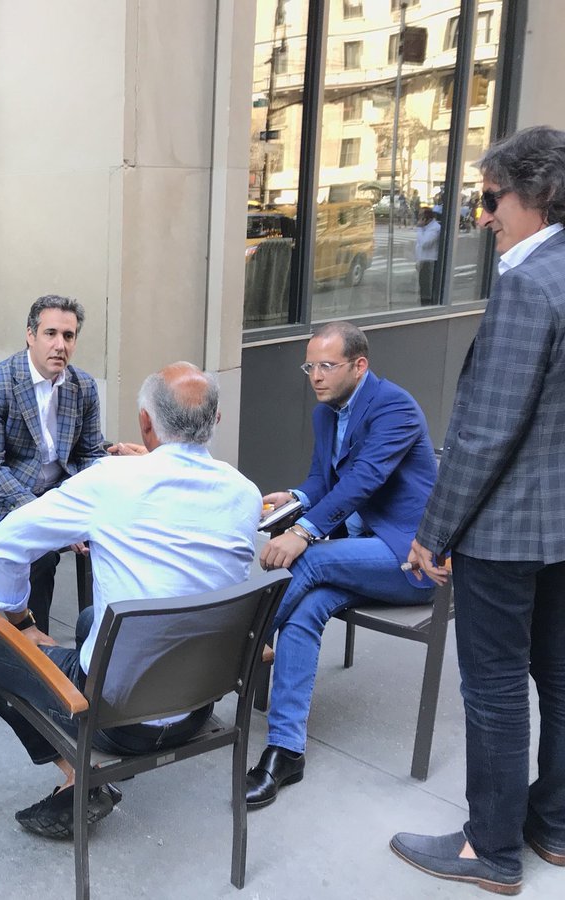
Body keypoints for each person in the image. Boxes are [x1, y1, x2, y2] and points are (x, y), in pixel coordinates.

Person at [0, 363, 261, 839]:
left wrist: (20, 621)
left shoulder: (110, 483)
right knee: (90, 619)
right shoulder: (245, 495)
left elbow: (2, 546)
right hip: (198, 703)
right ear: (216, 420)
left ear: (145, 422)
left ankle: (79, 773)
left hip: (117, 721)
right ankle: (82, 770)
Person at [393, 125, 565, 896]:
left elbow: (486, 431)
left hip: (507, 530)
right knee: (559, 676)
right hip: (559, 525)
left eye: (491, 198)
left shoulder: (528, 284)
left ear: (538, 194)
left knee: (494, 686)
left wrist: (433, 533)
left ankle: (489, 848)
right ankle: (553, 826)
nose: (483, 215)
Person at [248, 321, 437, 809]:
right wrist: (295, 498)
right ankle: (286, 750)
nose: (315, 376)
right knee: (306, 610)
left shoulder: (394, 407)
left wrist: (302, 532)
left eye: (327, 366)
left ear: (359, 365)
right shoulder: (326, 413)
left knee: (307, 562)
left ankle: (233, 649)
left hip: (410, 558)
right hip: (357, 554)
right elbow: (323, 479)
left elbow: (364, 480)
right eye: (310, 366)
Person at [0, 295, 107, 633]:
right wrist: (48, 515)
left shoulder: (83, 386)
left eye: (68, 336)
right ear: (30, 335)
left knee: (109, 531)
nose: (60, 345)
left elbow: (91, 454)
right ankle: (20, 647)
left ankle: (98, 637)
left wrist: (86, 503)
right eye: (50, 333)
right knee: (37, 551)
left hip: (54, 491)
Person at [414, 207, 441, 305]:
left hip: (429, 261)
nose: (418, 218)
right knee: (423, 285)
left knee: (426, 287)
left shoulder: (435, 228)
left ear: (426, 218)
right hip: (423, 260)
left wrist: (419, 228)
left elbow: (425, 243)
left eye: (420, 216)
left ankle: (427, 304)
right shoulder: (427, 227)